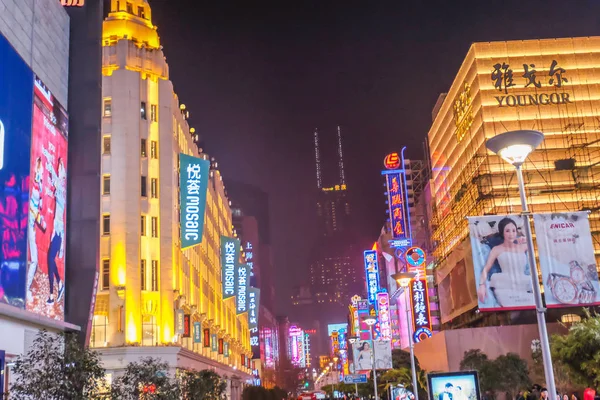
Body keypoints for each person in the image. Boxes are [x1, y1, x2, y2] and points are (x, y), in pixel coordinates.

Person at [477, 217, 532, 307]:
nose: (511, 234)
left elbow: (539, 246)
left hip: (523, 283)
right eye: (507, 231)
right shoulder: (497, 249)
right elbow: (486, 269)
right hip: (504, 285)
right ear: (502, 232)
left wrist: (525, 239)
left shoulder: (523, 246)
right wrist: (481, 285)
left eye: (514, 231)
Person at [25, 157, 46, 302]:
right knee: (33, 260)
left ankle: (25, 289)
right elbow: (33, 210)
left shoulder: (38, 188)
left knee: (34, 260)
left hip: (29, 226)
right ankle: (25, 289)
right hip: (26, 226)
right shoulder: (34, 188)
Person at [45, 157, 65, 304]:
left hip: (58, 234)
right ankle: (58, 286)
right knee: (49, 259)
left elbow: (56, 178)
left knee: (49, 259)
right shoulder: (61, 191)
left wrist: (51, 165)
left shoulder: (62, 192)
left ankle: (54, 291)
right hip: (56, 233)